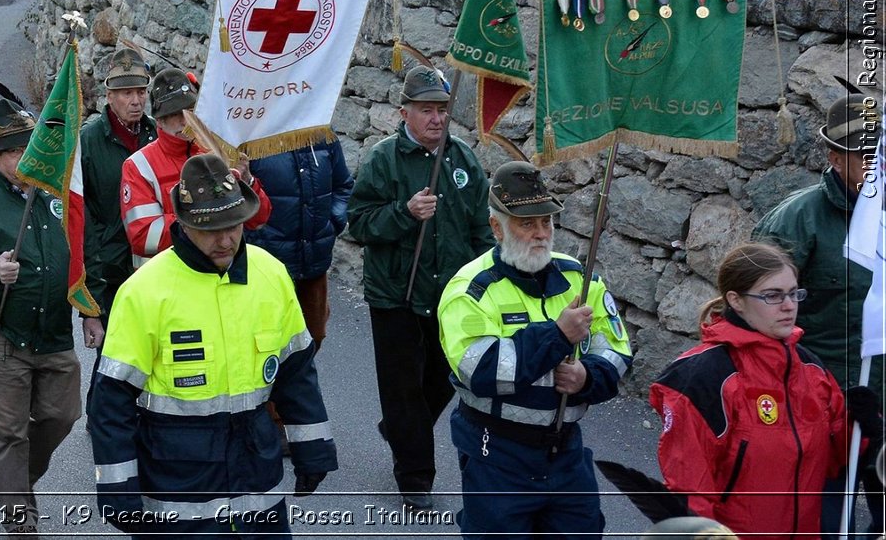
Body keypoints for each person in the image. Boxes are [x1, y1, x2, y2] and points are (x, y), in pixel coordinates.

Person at [89, 153, 338, 537]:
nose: (225, 240)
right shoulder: (143, 292)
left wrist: (313, 447)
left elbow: (296, 372)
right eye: (210, 229)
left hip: (257, 478)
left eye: (233, 226)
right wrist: (118, 488)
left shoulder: (270, 274)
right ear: (184, 225)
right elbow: (111, 401)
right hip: (178, 487)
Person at [438, 161, 632, 540]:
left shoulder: (580, 277)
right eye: (526, 224)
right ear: (497, 227)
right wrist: (557, 335)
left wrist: (588, 376)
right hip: (497, 454)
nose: (540, 234)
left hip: (567, 452)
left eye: (546, 221)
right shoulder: (470, 289)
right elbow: (480, 372)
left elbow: (617, 350)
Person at [0, 99, 93, 533]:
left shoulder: (58, 199)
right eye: (17, 153)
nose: (28, 161)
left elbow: (84, 256)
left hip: (55, 336)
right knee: (7, 433)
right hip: (2, 337)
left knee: (62, 416)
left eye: (32, 151)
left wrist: (90, 313)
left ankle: (19, 480)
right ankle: (18, 517)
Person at [346, 64, 493, 510]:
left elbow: (481, 230)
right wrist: (404, 212)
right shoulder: (383, 159)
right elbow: (358, 223)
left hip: (450, 295)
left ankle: (399, 428)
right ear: (403, 112)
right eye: (426, 109)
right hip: (396, 294)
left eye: (442, 110)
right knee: (402, 387)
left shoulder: (464, 159)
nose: (435, 119)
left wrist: (486, 280)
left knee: (448, 376)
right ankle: (415, 478)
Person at [651, 241, 852, 540]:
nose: (788, 305)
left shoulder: (809, 368)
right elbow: (689, 488)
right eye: (772, 295)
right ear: (736, 300)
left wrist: (862, 424)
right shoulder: (703, 376)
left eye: (793, 293)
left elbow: (837, 460)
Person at [754, 92, 886, 537]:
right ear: (834, 156)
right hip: (824, 407)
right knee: (828, 525)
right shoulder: (796, 220)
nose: (875, 162)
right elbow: (758, 314)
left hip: (884, 402)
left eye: (879, 150)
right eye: (863, 154)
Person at [120, 67, 271, 270]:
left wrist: (247, 180)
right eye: (175, 113)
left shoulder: (218, 151)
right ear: (160, 121)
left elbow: (259, 219)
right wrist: (207, 214)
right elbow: (144, 236)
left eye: (191, 110)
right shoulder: (138, 166)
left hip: (224, 275)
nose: (186, 120)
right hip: (168, 281)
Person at [249, 138, 356, 349]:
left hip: (313, 265)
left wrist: (331, 224)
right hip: (267, 268)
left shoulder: (322, 134)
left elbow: (343, 185)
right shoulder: (253, 135)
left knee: (312, 338)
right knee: (270, 345)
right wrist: (255, 240)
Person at [80, 49, 157, 323]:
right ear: (109, 96)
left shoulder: (160, 136)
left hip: (156, 268)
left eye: (141, 92)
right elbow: (79, 211)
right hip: (110, 272)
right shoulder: (87, 142)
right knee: (113, 358)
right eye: (127, 94)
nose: (136, 101)